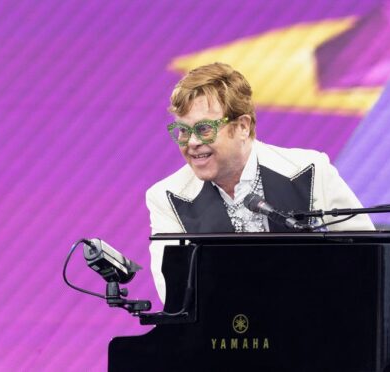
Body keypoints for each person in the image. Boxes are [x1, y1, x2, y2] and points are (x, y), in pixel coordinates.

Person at [146, 62, 374, 302]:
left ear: (242, 126)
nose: (191, 142)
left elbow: (367, 257)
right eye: (182, 130)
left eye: (204, 129)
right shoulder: (168, 196)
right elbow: (174, 293)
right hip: (225, 334)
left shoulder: (310, 170)